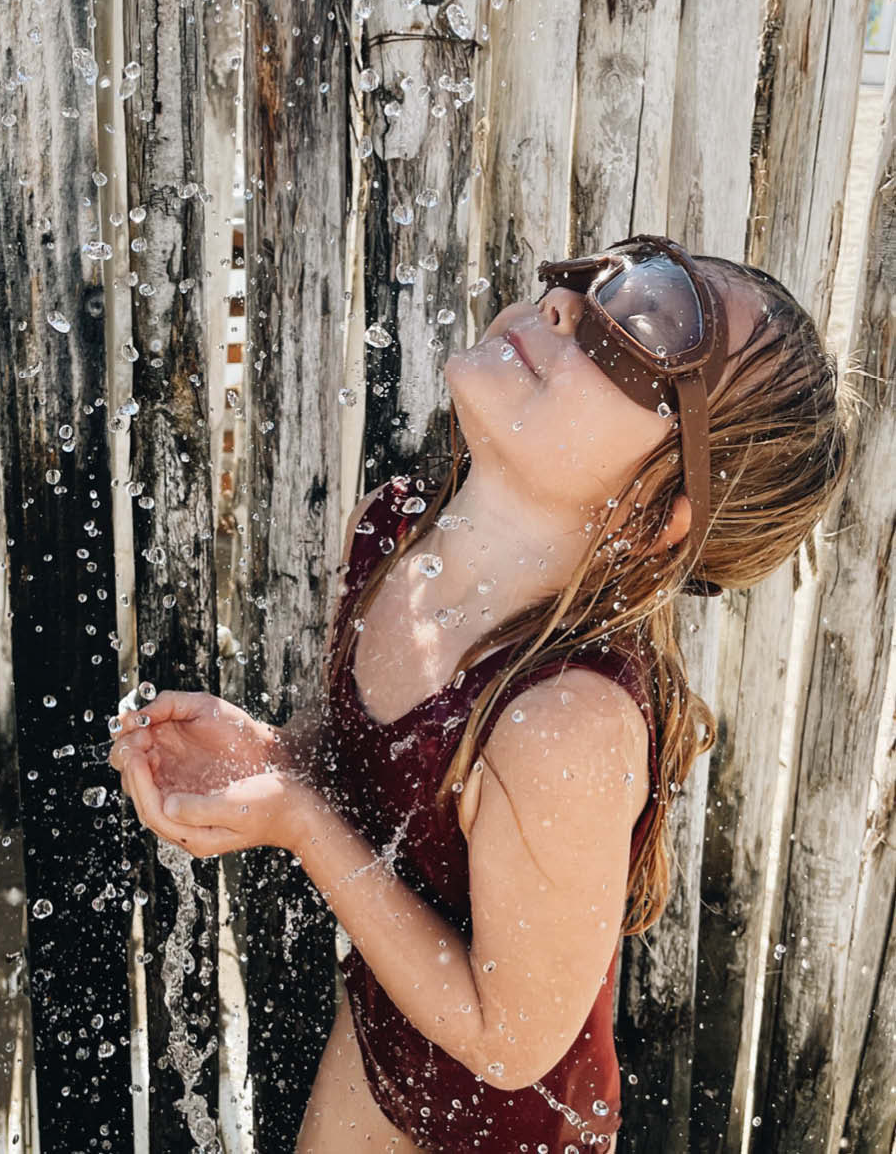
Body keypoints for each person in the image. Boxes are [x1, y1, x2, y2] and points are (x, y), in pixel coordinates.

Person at [108, 235, 853, 1153]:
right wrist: (276, 758)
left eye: (645, 330)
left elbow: (510, 1042)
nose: (562, 306)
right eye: (596, 277)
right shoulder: (394, 533)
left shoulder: (562, 722)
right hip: (388, 1041)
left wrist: (299, 819)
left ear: (662, 512)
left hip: (502, 1128)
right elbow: (380, 790)